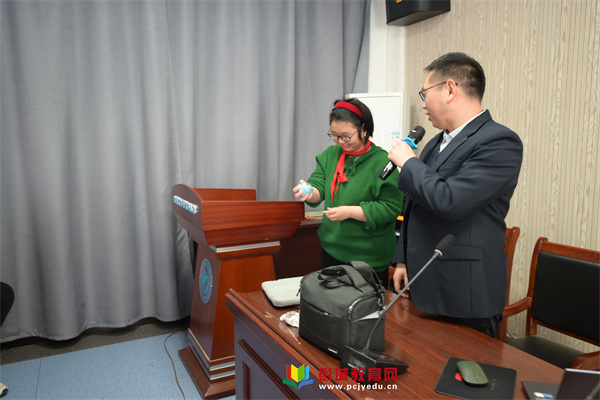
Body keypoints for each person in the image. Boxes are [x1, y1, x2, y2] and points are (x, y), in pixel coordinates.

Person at [388, 52, 523, 338]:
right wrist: (402, 260)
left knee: (463, 366)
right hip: (423, 281)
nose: (423, 104)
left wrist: (409, 163)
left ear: (450, 89)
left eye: (424, 93)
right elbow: (414, 205)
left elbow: (451, 201)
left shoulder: (499, 141)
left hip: (464, 290)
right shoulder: (436, 142)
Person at [293, 98, 404, 289]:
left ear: (364, 129)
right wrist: (309, 192)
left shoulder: (383, 162)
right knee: (331, 303)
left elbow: (391, 207)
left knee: (365, 306)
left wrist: (351, 212)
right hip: (332, 250)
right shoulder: (331, 155)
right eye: (335, 135)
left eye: (346, 136)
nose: (340, 142)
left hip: (369, 258)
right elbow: (319, 185)